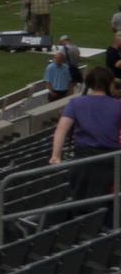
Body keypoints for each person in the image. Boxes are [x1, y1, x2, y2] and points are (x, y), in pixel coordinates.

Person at [49, 66, 120, 227]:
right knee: (106, 205)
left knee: (81, 204)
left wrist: (56, 155)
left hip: (83, 161)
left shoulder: (76, 103)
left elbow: (61, 129)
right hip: (109, 161)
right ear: (109, 83)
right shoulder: (117, 105)